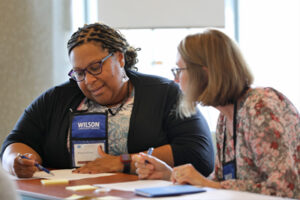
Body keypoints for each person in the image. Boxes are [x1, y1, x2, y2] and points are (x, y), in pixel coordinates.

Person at [0, 23, 215, 178]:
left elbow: (198, 154)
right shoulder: (56, 98)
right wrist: (16, 162)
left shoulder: (164, 93)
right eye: (79, 73)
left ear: (119, 58)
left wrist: (123, 161)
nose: (89, 80)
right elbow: (15, 142)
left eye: (95, 67)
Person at [133, 29, 300, 199]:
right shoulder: (225, 117)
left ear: (204, 73)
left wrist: (210, 184)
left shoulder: (260, 107)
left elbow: (285, 190)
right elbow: (220, 182)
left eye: (179, 70)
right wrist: (170, 175)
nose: (176, 80)